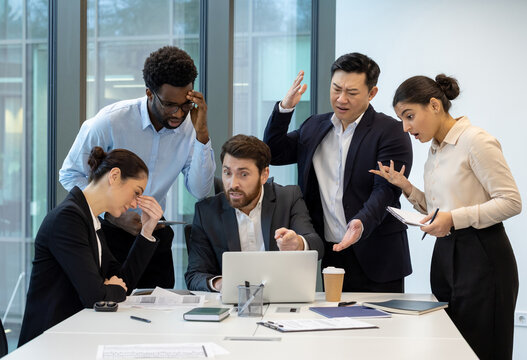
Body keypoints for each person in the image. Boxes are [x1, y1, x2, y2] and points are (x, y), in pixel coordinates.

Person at [370, 74, 521, 360]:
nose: (406, 127)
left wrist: (452, 218)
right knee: (450, 348)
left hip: (483, 256)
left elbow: (511, 202)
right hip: (446, 256)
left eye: (410, 116)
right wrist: (407, 188)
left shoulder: (476, 140)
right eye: (402, 119)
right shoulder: (435, 151)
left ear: (435, 105)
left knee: (482, 349)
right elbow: (439, 211)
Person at [59, 46, 216, 288]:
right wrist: (112, 213)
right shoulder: (110, 121)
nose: (178, 114)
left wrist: (202, 135)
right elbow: (70, 175)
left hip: (154, 233)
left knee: (160, 312)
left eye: (185, 105)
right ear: (150, 94)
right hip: (108, 231)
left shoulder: (190, 129)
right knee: (108, 308)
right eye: (170, 105)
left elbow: (200, 190)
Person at [263, 53, 413, 292]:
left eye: (352, 93)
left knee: (381, 327)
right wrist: (285, 109)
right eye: (336, 89)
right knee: (333, 323)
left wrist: (360, 224)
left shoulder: (391, 131)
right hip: (331, 253)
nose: (341, 99)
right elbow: (274, 152)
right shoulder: (314, 126)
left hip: (377, 253)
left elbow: (385, 189)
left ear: (372, 93)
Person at [19, 147, 163, 346]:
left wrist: (147, 232)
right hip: (48, 344)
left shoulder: (91, 219)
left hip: (73, 337)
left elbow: (123, 282)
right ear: (114, 176)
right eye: (135, 193)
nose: (134, 204)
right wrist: (108, 289)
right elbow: (95, 296)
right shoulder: (69, 218)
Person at [185, 135, 324, 292]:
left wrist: (298, 243)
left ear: (264, 175)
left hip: (282, 299)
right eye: (227, 173)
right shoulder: (207, 212)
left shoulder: (287, 197)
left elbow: (317, 245)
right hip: (233, 305)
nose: (233, 184)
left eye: (243, 174)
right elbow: (194, 276)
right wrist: (222, 283)